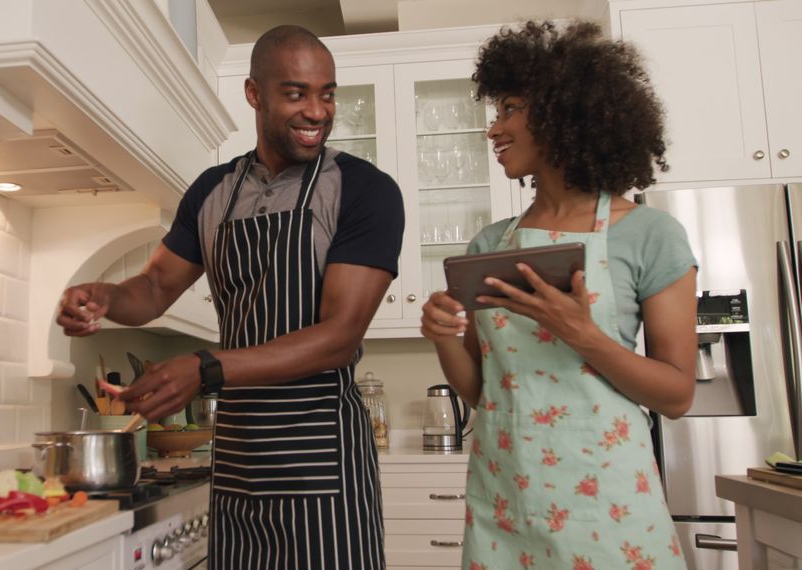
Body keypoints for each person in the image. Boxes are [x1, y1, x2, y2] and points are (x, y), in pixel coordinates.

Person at [57, 24, 403, 569]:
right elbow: (151, 289)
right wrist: (100, 295)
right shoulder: (213, 191)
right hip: (238, 463)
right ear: (254, 94)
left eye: (327, 93)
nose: (318, 111)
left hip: (322, 463)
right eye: (296, 93)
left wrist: (205, 368)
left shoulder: (364, 190)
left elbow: (338, 338)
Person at [420, 21, 697, 569]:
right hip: (506, 502)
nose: (493, 128)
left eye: (509, 109)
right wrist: (444, 335)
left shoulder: (648, 234)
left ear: (563, 111)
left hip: (610, 507)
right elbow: (485, 394)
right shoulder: (489, 244)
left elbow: (676, 395)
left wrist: (582, 334)